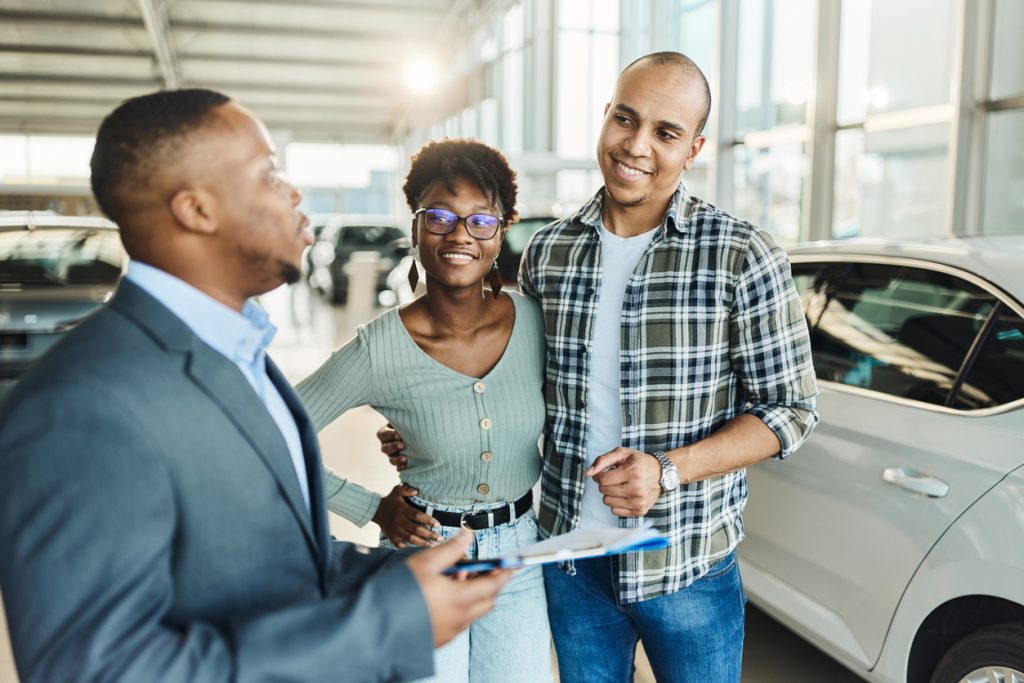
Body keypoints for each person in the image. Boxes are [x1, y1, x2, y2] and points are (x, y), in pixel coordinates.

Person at [0, 89, 512, 683]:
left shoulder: (241, 354)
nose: (294, 193)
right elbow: (98, 670)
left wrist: (391, 578)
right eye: (269, 173)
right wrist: (382, 622)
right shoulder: (82, 404)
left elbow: (264, 556)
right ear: (196, 210)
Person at [381, 52, 819, 682]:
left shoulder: (742, 256)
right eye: (625, 118)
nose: (636, 145)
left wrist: (669, 470)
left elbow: (793, 411)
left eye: (665, 133)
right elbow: (514, 381)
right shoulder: (550, 252)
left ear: (693, 149)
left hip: (687, 564)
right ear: (606, 116)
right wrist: (432, 428)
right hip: (570, 561)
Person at [295, 138, 552, 683]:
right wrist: (370, 506)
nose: (459, 235)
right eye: (438, 216)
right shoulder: (377, 349)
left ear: (501, 230)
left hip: (519, 558)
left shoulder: (535, 322)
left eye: (481, 220)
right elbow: (267, 439)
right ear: (413, 226)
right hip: (421, 557)